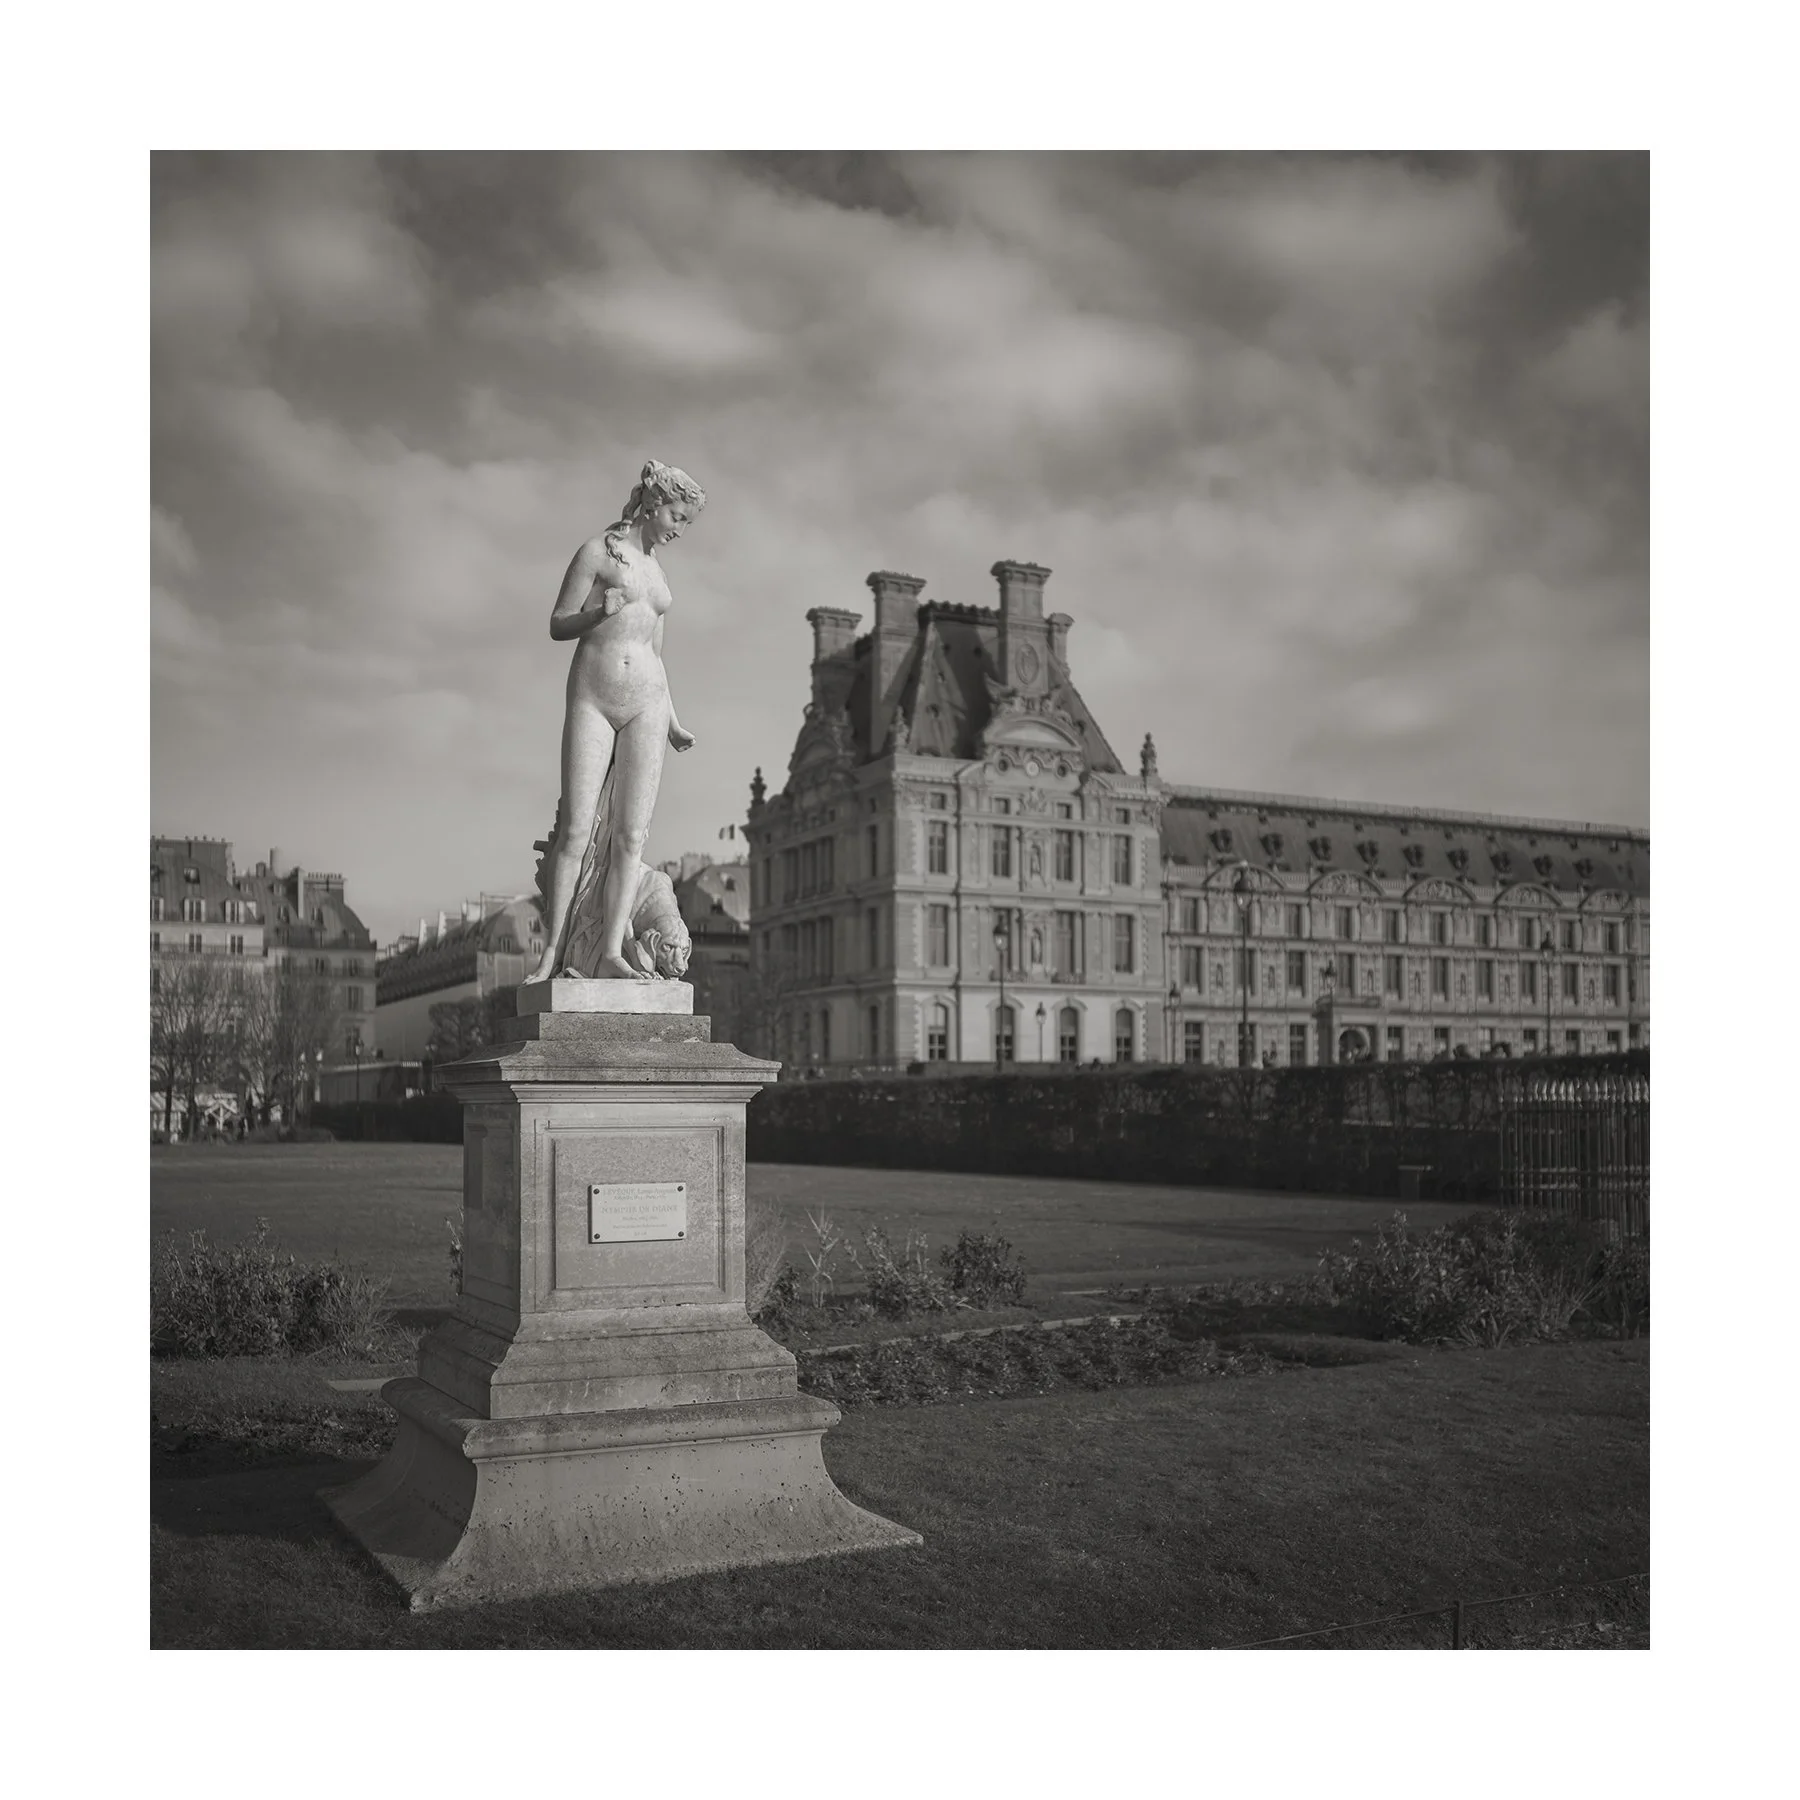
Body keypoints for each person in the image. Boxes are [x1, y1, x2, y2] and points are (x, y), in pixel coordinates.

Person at [527, 460, 705, 984]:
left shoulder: (659, 574)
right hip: (594, 697)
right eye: (678, 516)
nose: (680, 528)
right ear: (653, 503)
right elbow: (558, 623)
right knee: (576, 830)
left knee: (631, 836)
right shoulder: (598, 553)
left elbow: (655, 654)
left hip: (648, 703)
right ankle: (551, 954)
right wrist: (597, 613)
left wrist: (672, 720)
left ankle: (610, 951)